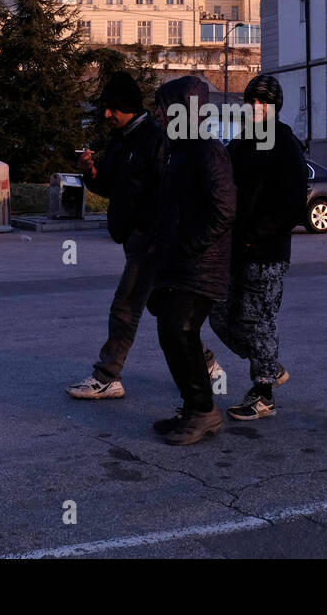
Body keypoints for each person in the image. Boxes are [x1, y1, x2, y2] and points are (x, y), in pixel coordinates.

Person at [66, 72, 221, 400]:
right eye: (104, 108)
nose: (106, 114)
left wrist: (154, 234)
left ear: (128, 107)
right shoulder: (121, 140)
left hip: (151, 241)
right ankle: (206, 362)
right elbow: (109, 185)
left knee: (125, 306)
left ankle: (107, 375)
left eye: (112, 108)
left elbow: (167, 193)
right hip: (135, 239)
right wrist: (90, 171)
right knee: (161, 306)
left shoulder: (155, 140)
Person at [206, 74, 305, 420]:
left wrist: (257, 234)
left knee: (259, 321)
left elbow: (293, 203)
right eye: (251, 101)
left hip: (267, 252)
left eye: (264, 101)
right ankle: (270, 365)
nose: (256, 107)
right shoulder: (242, 142)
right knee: (220, 316)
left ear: (275, 106)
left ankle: (263, 394)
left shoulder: (285, 144)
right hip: (235, 250)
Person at [147, 76, 237, 445]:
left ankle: (204, 411)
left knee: (179, 330)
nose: (158, 114)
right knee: (172, 334)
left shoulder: (207, 151)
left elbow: (224, 209)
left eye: (164, 107)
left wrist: (189, 245)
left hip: (201, 263)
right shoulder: (179, 150)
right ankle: (193, 407)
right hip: (179, 261)